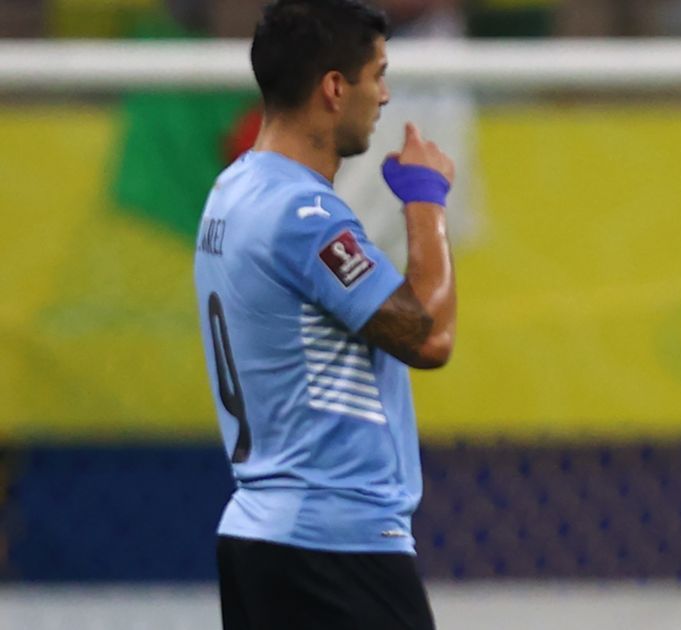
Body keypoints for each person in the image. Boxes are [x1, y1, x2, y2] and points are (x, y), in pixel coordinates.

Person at [193, 1, 456, 628]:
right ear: (335, 88)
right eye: (379, 74)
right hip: (335, 543)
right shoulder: (302, 218)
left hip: (262, 532)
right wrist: (426, 201)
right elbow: (431, 336)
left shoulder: (233, 192)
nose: (386, 96)